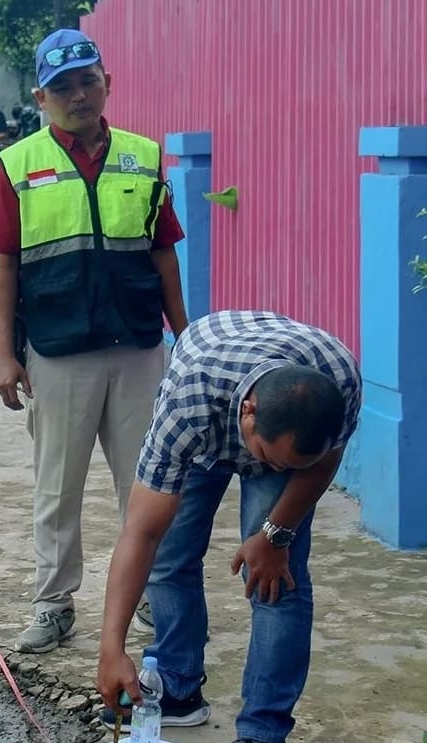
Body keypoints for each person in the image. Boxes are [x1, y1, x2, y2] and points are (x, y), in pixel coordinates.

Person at [0, 28, 189, 655]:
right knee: (57, 488)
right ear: (42, 95)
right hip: (58, 353)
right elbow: (3, 266)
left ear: (107, 84)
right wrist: (5, 355)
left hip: (139, 349)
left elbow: (163, 252)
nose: (78, 95)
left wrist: (185, 336)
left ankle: (149, 593)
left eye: (87, 81)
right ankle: (53, 604)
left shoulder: (144, 158)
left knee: (147, 482)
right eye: (62, 86)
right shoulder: (16, 166)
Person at [96, 311, 362, 742]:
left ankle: (262, 730)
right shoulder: (188, 405)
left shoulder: (338, 380)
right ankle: (177, 685)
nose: (270, 470)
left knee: (277, 582)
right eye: (269, 458)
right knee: (168, 557)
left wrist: (277, 533)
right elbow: (141, 533)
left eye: (286, 466)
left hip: (278, 411)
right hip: (209, 419)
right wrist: (111, 647)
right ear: (249, 412)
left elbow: (324, 459)